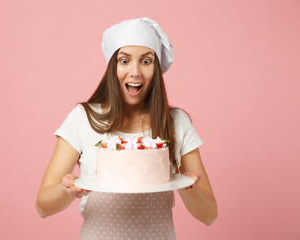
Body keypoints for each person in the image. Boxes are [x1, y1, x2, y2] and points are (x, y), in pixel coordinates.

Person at [36, 17, 217, 239]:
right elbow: (43, 206)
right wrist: (68, 190)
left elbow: (209, 215)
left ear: (157, 69)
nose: (135, 72)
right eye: (124, 61)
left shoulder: (175, 122)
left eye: (146, 61)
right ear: (112, 66)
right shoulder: (83, 118)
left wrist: (189, 186)